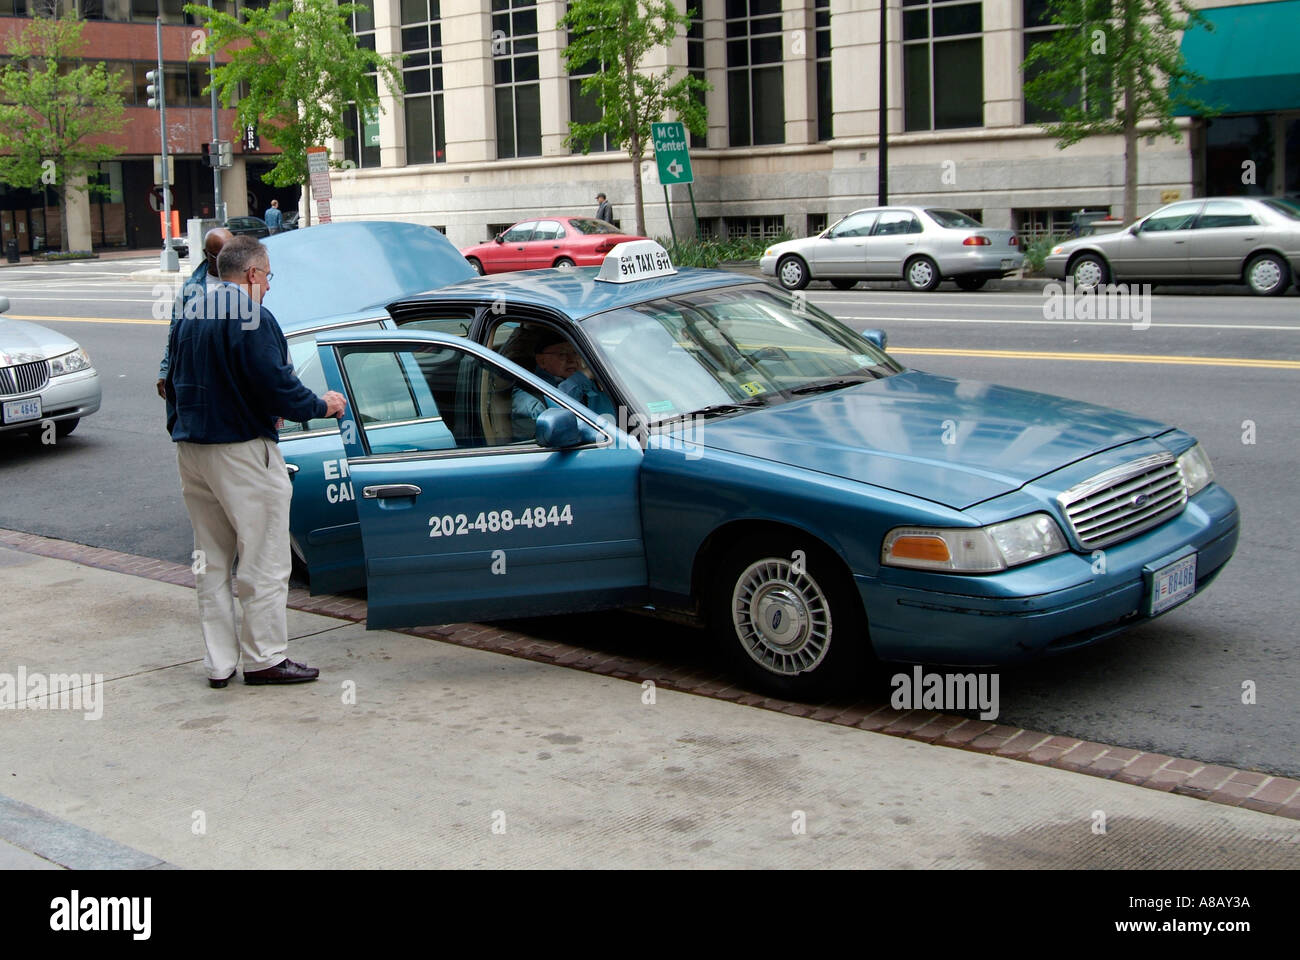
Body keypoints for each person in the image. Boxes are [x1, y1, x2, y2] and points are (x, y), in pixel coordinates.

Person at [164, 235, 347, 689]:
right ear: (252, 274)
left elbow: (170, 379)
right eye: (267, 277)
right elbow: (275, 384)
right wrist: (321, 405)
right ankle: (265, 658)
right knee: (264, 558)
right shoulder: (251, 314)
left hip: (192, 448)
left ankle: (219, 664)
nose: (268, 287)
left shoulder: (190, 310)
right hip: (242, 449)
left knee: (211, 559)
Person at [156, 226, 232, 399]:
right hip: (201, 376)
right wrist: (165, 371)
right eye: (220, 256)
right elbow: (175, 334)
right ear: (207, 253)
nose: (228, 261)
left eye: (232, 253)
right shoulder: (191, 289)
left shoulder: (247, 280)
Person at [511, 330, 614, 440]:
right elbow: (554, 425)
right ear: (542, 361)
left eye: (575, 353)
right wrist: (580, 379)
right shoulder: (529, 395)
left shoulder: (590, 383)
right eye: (562, 354)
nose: (572, 360)